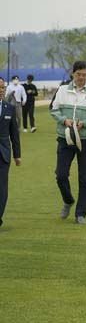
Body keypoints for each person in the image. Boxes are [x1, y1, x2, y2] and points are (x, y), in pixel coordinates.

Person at [50, 61, 86, 224]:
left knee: (85, 178)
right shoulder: (62, 90)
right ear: (73, 74)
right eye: (78, 74)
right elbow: (53, 109)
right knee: (60, 175)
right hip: (65, 137)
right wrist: (63, 120)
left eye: (84, 74)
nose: (81, 77)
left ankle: (81, 213)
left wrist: (85, 123)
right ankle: (68, 200)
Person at [0, 78, 22, 229]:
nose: (1, 90)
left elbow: (14, 133)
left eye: (2, 87)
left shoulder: (9, 108)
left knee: (2, 189)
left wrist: (17, 154)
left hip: (3, 154)